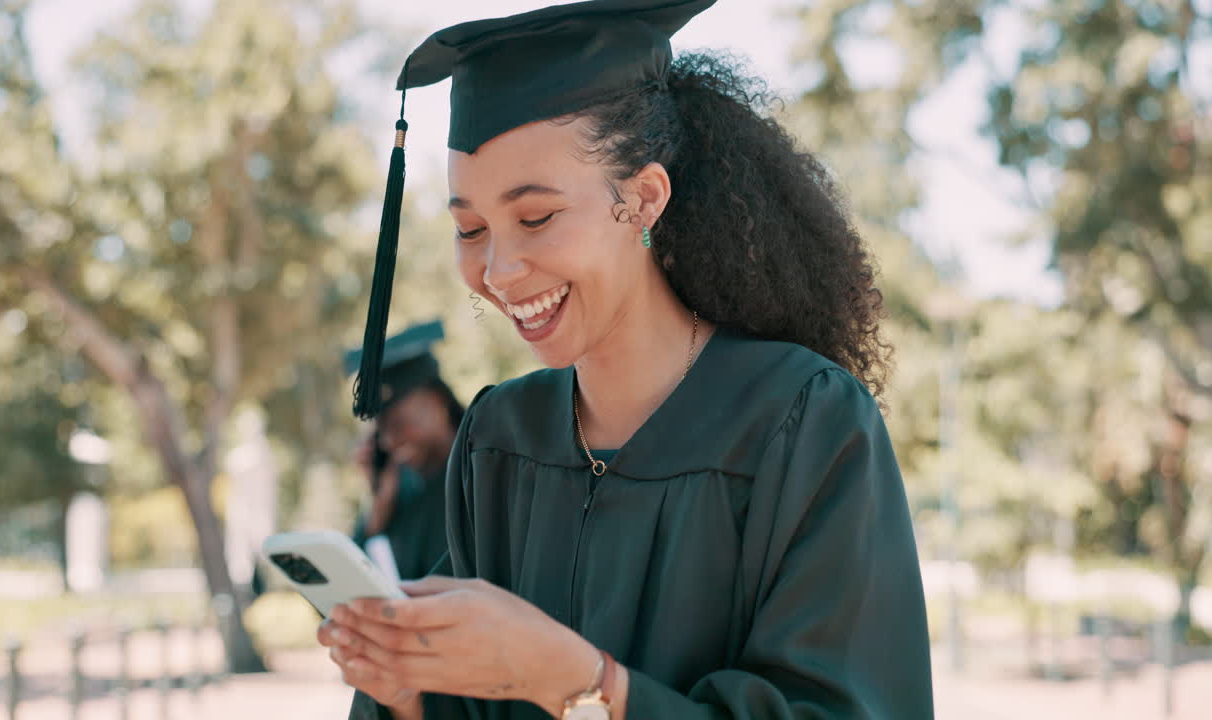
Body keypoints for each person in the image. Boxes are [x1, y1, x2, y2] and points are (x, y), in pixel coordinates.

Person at [323, 1, 935, 719]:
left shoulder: (803, 424)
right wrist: (405, 696)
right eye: (469, 227)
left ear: (644, 199)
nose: (499, 268)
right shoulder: (498, 440)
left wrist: (580, 682)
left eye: (536, 217)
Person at [343, 319, 464, 582]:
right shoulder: (403, 496)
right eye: (380, 430)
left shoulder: (488, 472)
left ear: (438, 401)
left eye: (398, 424)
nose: (387, 442)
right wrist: (378, 512)